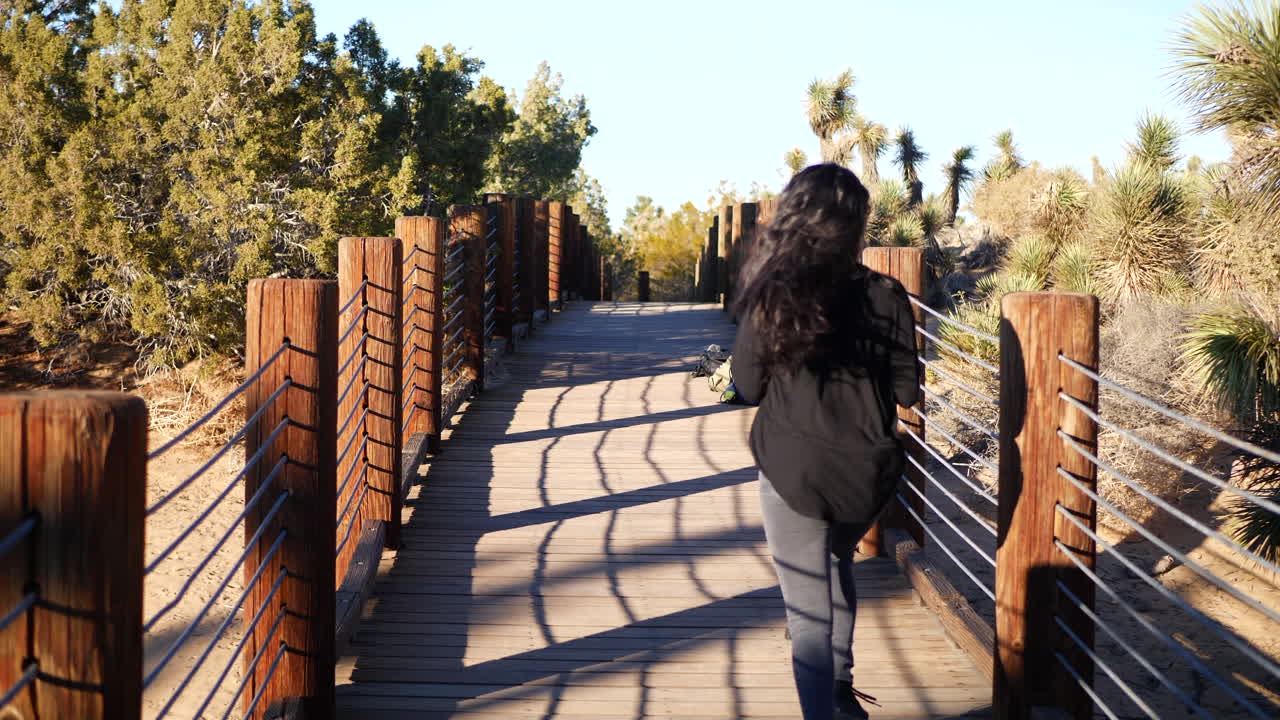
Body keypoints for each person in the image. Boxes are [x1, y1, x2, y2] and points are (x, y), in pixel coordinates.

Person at [731, 164, 921, 720]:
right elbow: (907, 391)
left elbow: (747, 387)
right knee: (836, 561)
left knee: (807, 613)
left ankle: (824, 709)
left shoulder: (775, 293)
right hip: (867, 476)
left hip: (795, 473)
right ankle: (840, 693)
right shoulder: (887, 293)